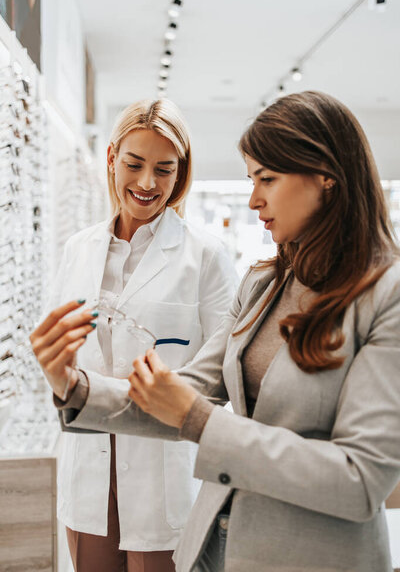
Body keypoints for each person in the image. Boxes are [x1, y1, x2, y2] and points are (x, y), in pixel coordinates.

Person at [32, 91, 400, 572]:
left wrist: (201, 421)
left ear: (326, 178)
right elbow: (183, 391)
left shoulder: (385, 297)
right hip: (224, 547)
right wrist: (74, 386)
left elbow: (361, 479)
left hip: (315, 555)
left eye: (266, 179)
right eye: (251, 179)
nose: (253, 199)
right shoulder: (265, 284)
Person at [30, 98, 237, 572]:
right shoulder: (78, 249)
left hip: (163, 471)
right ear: (111, 158)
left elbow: (224, 379)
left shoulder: (206, 256)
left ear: (179, 174)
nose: (147, 183)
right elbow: (61, 355)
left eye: (164, 170)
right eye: (134, 164)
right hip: (88, 466)